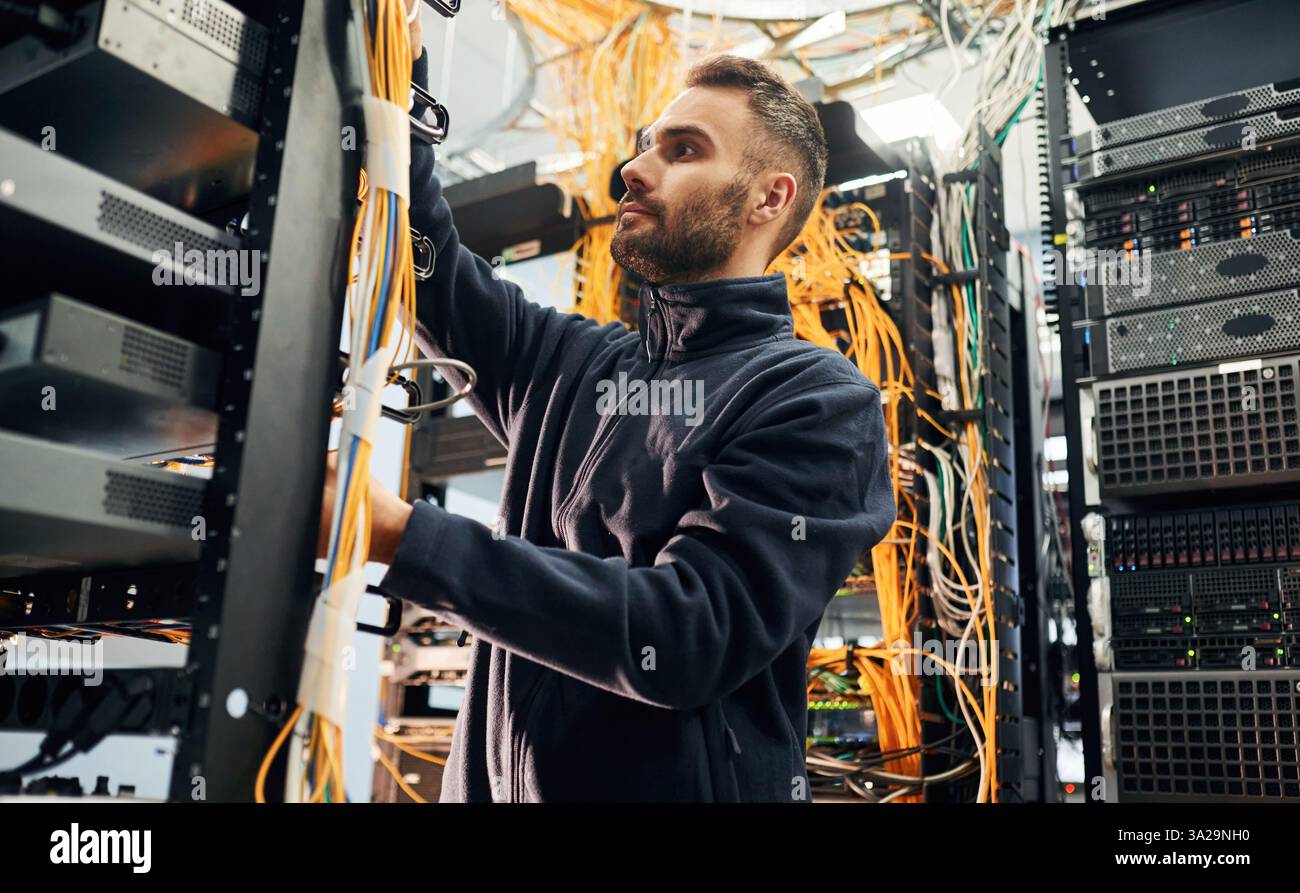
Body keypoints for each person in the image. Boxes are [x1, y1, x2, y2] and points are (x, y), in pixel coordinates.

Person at [318, 31, 896, 801]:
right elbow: (419, 254)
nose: (635, 167)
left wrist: (399, 533)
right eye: (646, 145)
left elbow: (687, 633)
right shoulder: (573, 363)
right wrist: (398, 60)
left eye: (683, 150)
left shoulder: (817, 400)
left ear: (770, 197)